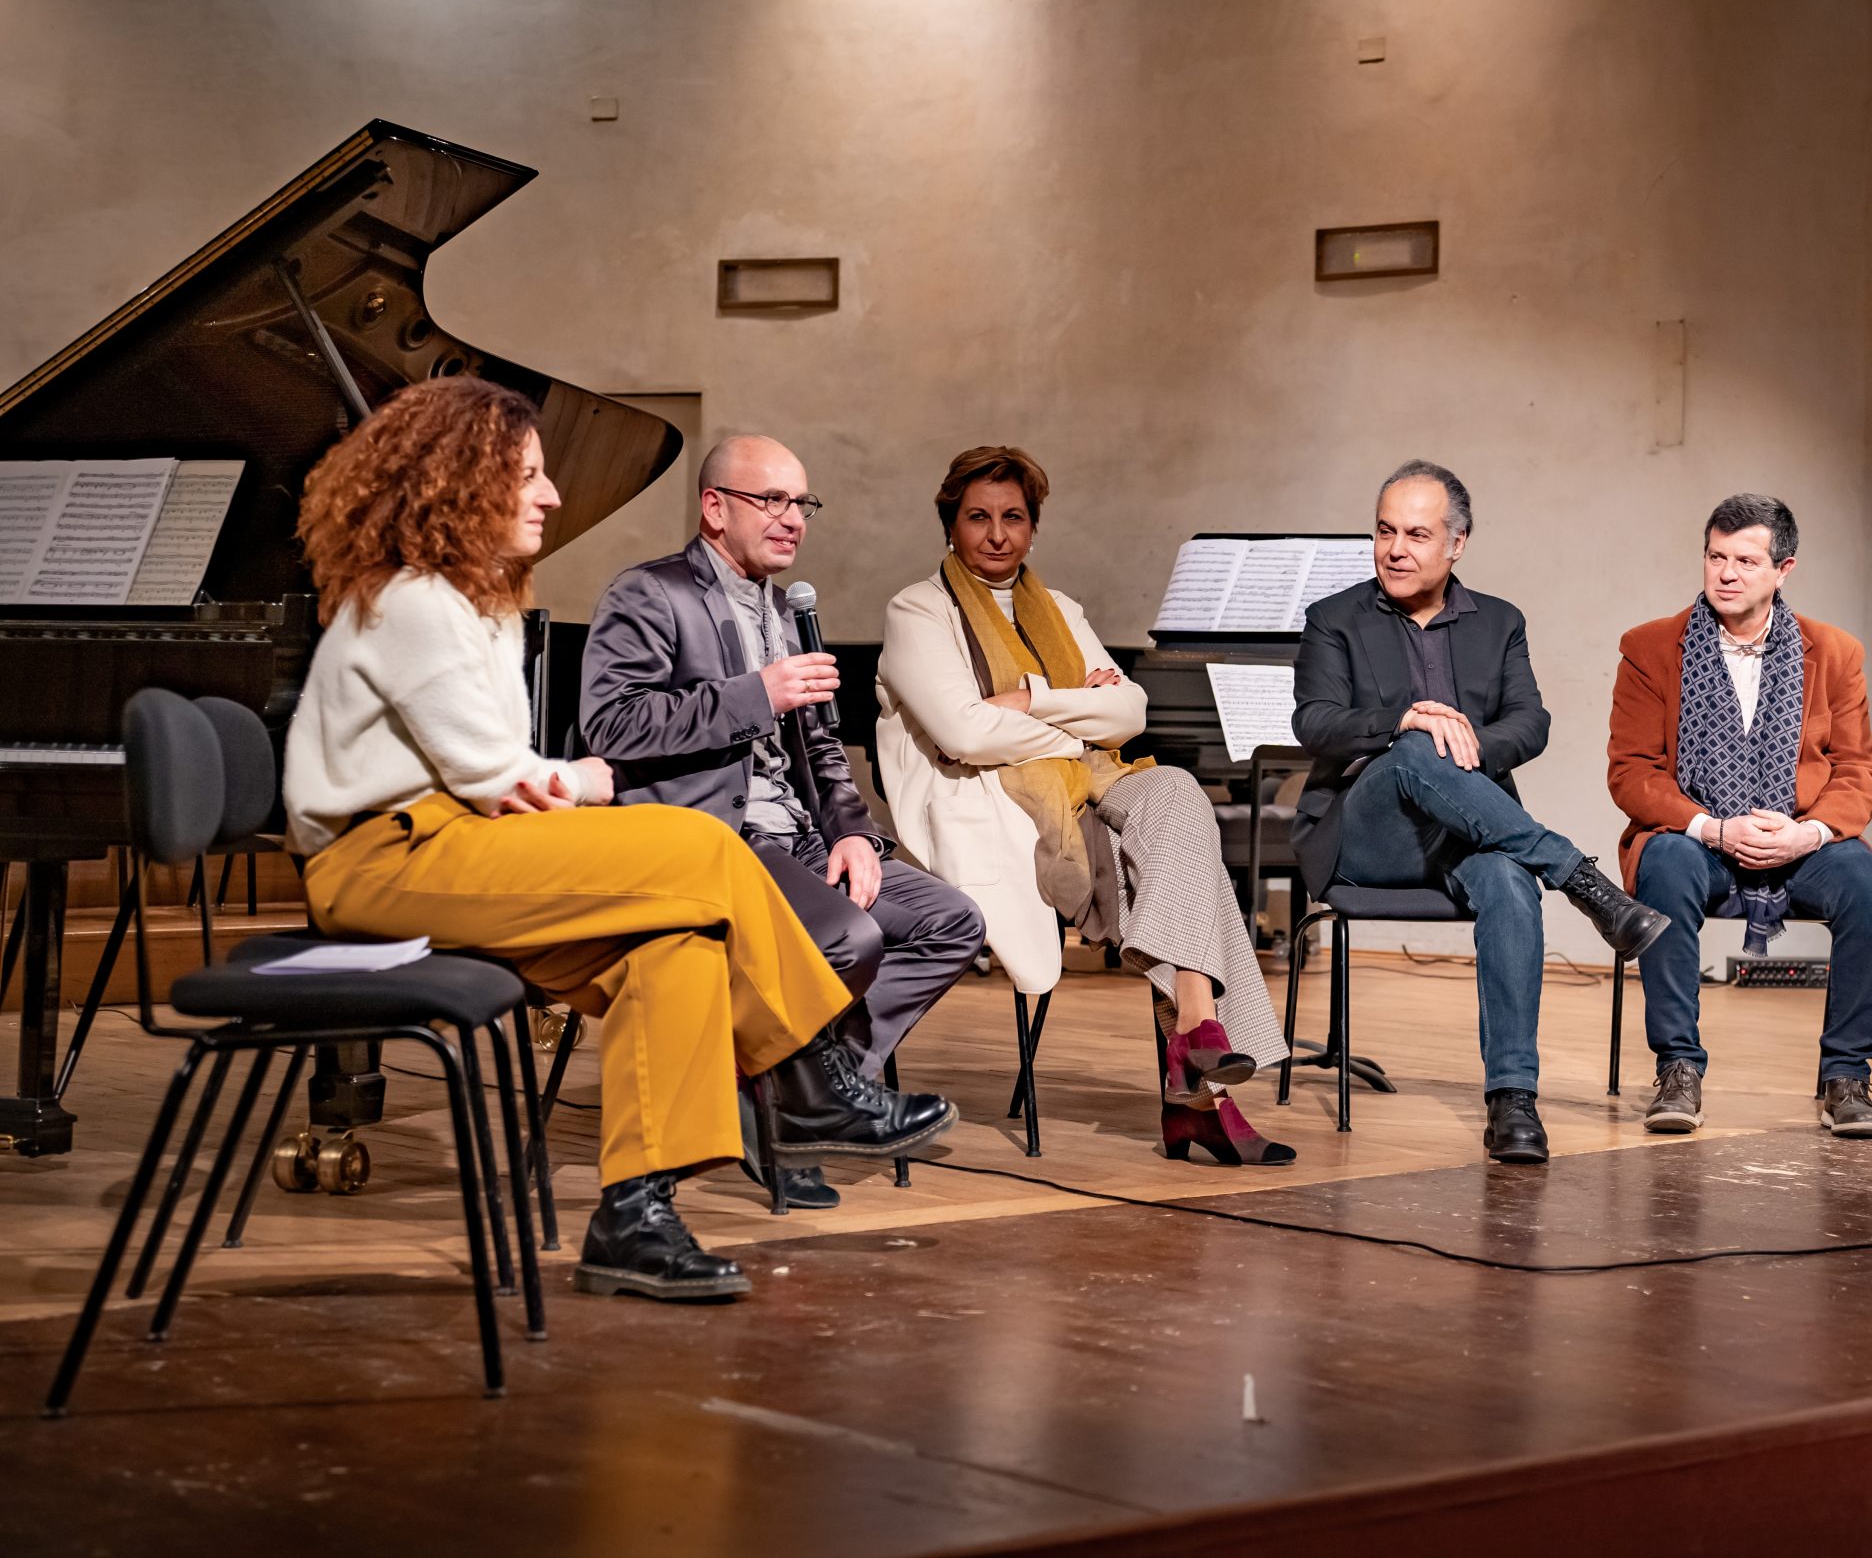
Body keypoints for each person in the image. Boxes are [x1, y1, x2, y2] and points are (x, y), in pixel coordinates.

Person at [281, 376, 952, 1306]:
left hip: (460, 843)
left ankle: (635, 1213)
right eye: (529, 475)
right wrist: (585, 780)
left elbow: (505, 775)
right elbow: (501, 777)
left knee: (675, 945)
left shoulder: (470, 604)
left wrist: (565, 784)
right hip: (386, 857)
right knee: (701, 847)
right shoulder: (413, 601)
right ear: (460, 481)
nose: (553, 495)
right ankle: (810, 1075)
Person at [581, 435, 985, 1209]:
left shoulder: (786, 607)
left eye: (802, 502)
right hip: (715, 834)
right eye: (772, 499)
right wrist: (755, 694)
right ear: (714, 507)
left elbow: (822, 750)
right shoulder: (650, 594)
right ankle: (798, 1099)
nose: (793, 518)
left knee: (953, 922)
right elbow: (613, 726)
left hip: (801, 834)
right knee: (848, 938)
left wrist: (855, 835)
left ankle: (793, 1099)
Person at [873, 445, 1294, 1165]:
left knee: (1175, 793)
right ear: (952, 524)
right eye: (979, 517)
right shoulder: (920, 608)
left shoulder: (1060, 609)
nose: (997, 533)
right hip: (998, 802)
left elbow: (1130, 713)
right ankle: (1199, 1085)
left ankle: (1195, 1032)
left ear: (1034, 527)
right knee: (1183, 861)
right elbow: (964, 733)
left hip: (1088, 786)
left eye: (1013, 517)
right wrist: (1077, 709)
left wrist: (1030, 698)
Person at [1292, 460, 1672, 1166]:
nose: (1394, 548)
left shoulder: (1499, 622)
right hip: (1365, 832)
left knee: (1505, 877)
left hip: (1468, 830)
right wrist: (1407, 722)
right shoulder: (1334, 618)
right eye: (1383, 531)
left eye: (1415, 533)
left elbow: (1531, 723)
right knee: (1412, 744)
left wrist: (1465, 742)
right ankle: (1581, 877)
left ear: (1457, 543)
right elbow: (1314, 722)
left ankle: (1512, 1101)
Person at [1607, 494, 1872, 1138]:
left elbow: (1859, 769)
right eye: (1716, 556)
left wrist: (1807, 834)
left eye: (1746, 559)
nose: (1727, 573)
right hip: (1700, 836)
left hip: (1800, 835)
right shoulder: (1651, 647)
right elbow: (1631, 771)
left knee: (1870, 889)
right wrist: (1711, 826)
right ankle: (1678, 1068)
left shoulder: (1836, 652)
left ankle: (1846, 1075)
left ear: (1783, 569)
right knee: (1668, 866)